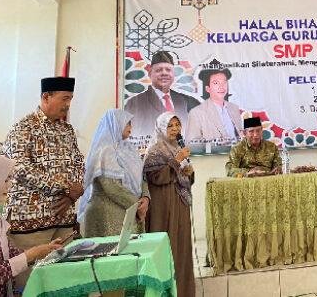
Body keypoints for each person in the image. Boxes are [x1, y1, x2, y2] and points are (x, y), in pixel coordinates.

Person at [3, 77, 83, 285]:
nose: (68, 104)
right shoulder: (23, 128)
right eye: (65, 98)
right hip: (30, 226)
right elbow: (20, 169)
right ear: (46, 97)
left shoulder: (67, 130)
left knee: (64, 283)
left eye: (71, 99)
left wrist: (74, 192)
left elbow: (78, 162)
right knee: (32, 284)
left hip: (64, 220)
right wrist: (66, 188)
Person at [0, 154, 64, 296]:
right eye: (5, 180)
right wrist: (29, 255)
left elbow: (5, 256)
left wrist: (42, 250)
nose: (10, 185)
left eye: (10, 179)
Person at [143, 112, 195, 297]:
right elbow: (155, 177)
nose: (175, 129)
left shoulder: (177, 147)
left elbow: (182, 176)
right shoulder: (155, 150)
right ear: (161, 128)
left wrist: (188, 172)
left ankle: (183, 292)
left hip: (180, 203)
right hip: (164, 205)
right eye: (170, 125)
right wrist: (177, 160)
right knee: (168, 247)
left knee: (181, 248)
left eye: (177, 125)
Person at [77, 109, 150, 237]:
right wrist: (137, 205)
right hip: (107, 214)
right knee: (112, 249)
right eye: (127, 123)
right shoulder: (104, 151)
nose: (130, 127)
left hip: (131, 210)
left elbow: (141, 177)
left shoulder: (130, 149)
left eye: (131, 123)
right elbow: (111, 187)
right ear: (115, 124)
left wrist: (145, 197)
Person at [125, 51, 200, 138]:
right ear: (150, 74)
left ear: (173, 74)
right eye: (158, 70)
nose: (164, 73)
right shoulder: (134, 103)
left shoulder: (189, 101)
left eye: (168, 70)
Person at [186, 66, 242, 142]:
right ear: (207, 89)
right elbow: (191, 143)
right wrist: (216, 144)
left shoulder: (234, 108)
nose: (221, 86)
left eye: (224, 82)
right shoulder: (196, 113)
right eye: (216, 83)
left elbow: (240, 135)